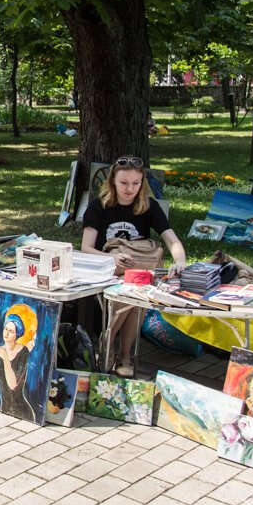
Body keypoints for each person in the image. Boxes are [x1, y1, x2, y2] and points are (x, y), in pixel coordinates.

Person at [81, 156, 186, 377]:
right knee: (127, 296)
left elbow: (172, 239)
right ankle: (114, 351)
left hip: (137, 270)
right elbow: (86, 248)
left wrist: (180, 261)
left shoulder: (149, 206)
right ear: (112, 181)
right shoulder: (98, 206)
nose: (130, 189)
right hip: (107, 268)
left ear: (142, 183)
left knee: (136, 295)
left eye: (135, 183)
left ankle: (118, 352)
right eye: (124, 183)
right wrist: (111, 259)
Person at [0, 305, 37, 419]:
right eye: (6, 329)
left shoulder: (23, 352)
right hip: (5, 409)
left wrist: (5, 358)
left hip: (22, 413)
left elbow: (13, 385)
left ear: (17, 334)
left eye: (11, 331)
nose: (6, 333)